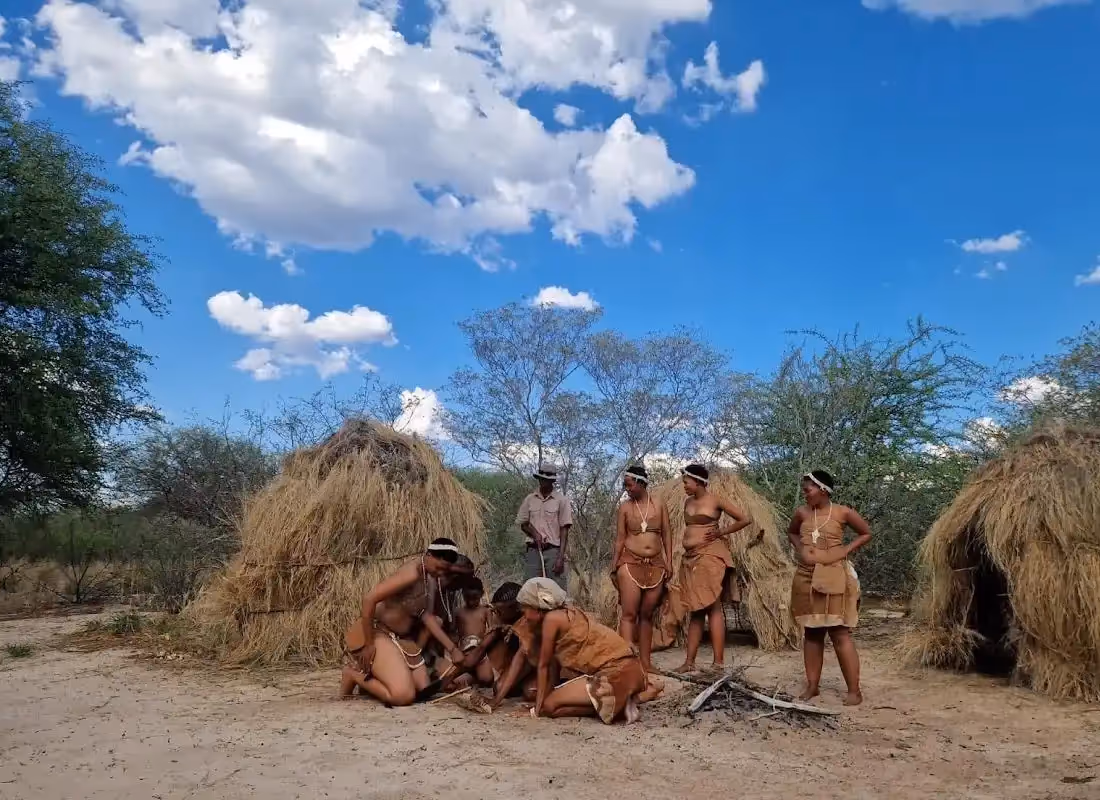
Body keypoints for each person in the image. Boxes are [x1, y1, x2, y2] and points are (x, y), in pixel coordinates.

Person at [340, 538, 469, 706]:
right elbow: (369, 599)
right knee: (403, 696)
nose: (441, 573)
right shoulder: (411, 573)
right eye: (439, 567)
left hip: (402, 640)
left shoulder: (429, 577)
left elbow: (427, 618)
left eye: (445, 570)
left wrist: (452, 649)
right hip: (379, 632)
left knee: (423, 689)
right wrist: (369, 643)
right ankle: (352, 674)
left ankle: (378, 678)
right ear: (428, 555)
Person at [518, 577, 657, 725]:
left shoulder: (551, 619)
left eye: (525, 608)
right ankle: (623, 700)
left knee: (548, 707)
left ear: (538, 608)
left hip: (616, 674)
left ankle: (623, 704)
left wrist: (537, 710)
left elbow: (543, 665)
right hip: (630, 671)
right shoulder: (567, 613)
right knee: (549, 706)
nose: (523, 614)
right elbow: (552, 665)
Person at [787, 470, 871, 706]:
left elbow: (865, 533)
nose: (804, 494)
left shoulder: (842, 512)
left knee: (839, 632)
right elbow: (792, 532)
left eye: (808, 489)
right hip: (806, 577)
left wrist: (844, 550)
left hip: (833, 575)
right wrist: (800, 549)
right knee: (812, 632)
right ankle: (812, 686)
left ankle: (854, 690)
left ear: (822, 489)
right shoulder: (802, 513)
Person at [673, 464, 752, 674]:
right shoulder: (688, 502)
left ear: (698, 481)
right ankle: (689, 662)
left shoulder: (715, 500)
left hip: (710, 555)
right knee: (696, 610)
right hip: (691, 559)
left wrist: (721, 532)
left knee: (712, 607)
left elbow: (745, 519)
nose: (684, 486)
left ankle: (718, 663)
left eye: (686, 482)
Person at [611, 464, 672, 676]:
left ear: (640, 482)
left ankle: (646, 663)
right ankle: (627, 666)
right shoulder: (625, 508)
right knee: (629, 614)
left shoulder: (659, 504)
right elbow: (620, 538)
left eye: (629, 485)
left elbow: (666, 534)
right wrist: (615, 565)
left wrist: (669, 562)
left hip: (656, 564)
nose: (626, 489)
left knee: (646, 614)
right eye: (624, 485)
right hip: (630, 563)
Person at [515, 464, 573, 588]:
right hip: (533, 550)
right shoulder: (530, 499)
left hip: (553, 551)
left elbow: (564, 530)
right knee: (530, 591)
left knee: (556, 591)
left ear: (552, 481)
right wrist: (534, 533)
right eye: (541, 478)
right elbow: (523, 524)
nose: (543, 481)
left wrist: (560, 558)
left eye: (546, 479)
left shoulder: (561, 500)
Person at [454, 577, 495, 686]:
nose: (471, 601)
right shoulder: (458, 612)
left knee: (487, 679)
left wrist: (483, 648)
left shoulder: (485, 611)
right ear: (463, 594)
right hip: (463, 653)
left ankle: (475, 676)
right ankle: (470, 675)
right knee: (455, 682)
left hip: (480, 652)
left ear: (481, 594)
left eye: (474, 598)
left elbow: (492, 631)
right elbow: (454, 633)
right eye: (468, 597)